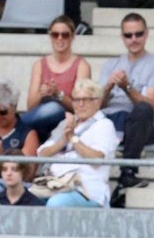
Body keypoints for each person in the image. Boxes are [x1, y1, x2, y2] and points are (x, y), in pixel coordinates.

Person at [99, 12, 154, 196]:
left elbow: (151, 105)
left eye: (138, 34)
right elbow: (96, 104)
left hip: (142, 127)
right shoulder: (110, 64)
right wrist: (108, 86)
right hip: (112, 121)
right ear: (122, 37)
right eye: (128, 35)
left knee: (143, 110)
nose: (134, 39)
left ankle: (128, 171)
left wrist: (127, 87)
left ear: (146, 34)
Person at [35, 78, 119, 208]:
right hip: (54, 185)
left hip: (86, 191)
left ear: (97, 102)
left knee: (56, 204)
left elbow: (97, 158)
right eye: (76, 100)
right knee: (26, 200)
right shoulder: (65, 123)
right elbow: (41, 154)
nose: (80, 104)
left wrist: (73, 138)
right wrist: (63, 140)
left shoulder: (104, 125)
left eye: (86, 100)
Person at [21, 16, 92, 143]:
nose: (60, 38)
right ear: (50, 36)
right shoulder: (39, 65)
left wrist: (58, 95)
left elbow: (82, 106)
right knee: (48, 110)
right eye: (55, 34)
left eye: (65, 35)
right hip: (40, 122)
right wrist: (41, 94)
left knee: (54, 107)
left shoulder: (81, 65)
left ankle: (16, 127)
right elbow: (30, 106)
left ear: (72, 37)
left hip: (68, 118)